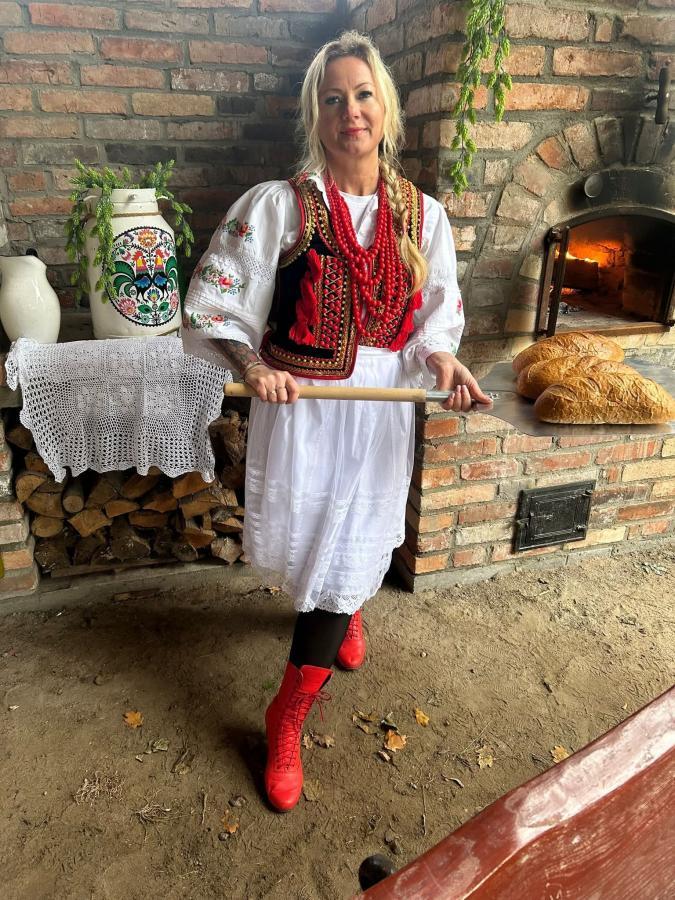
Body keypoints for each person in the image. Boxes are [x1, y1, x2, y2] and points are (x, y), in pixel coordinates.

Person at [181, 30, 490, 813]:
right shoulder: (280, 206)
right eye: (332, 99)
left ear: (385, 109)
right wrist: (254, 366)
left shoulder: (423, 216)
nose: (349, 111)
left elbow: (434, 315)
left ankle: (287, 710)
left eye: (361, 95)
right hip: (308, 409)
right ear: (314, 116)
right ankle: (342, 605)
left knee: (350, 544)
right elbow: (217, 302)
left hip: (380, 412)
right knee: (325, 543)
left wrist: (442, 360)